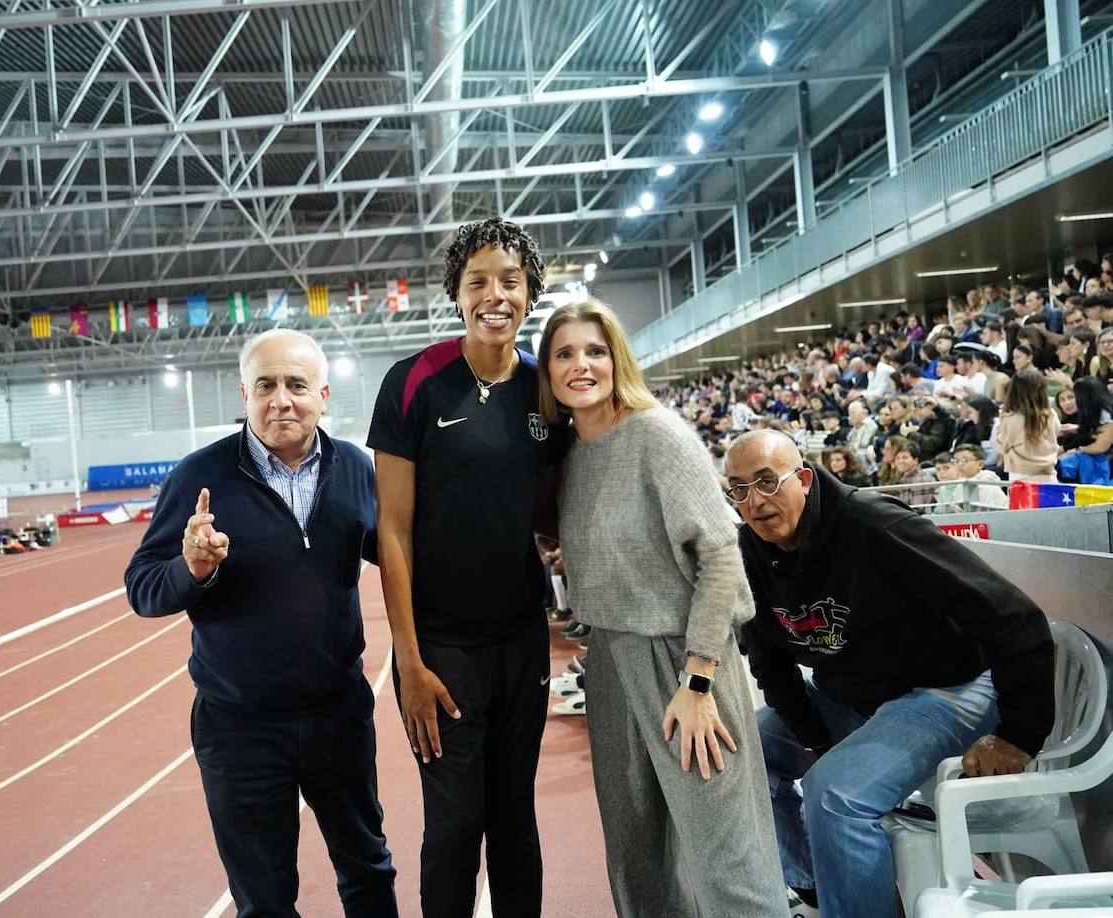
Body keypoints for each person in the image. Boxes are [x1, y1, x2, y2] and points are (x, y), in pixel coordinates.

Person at [724, 429, 1055, 918]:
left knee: (835, 794)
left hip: (949, 686)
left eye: (768, 482)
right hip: (853, 695)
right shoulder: (748, 554)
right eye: (739, 488)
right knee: (742, 751)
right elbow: (770, 662)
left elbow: (1012, 614)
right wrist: (815, 739)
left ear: (806, 480)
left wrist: (1021, 734)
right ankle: (818, 887)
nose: (755, 501)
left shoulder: (874, 526)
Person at [125, 329, 396, 918]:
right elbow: (142, 587)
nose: (282, 400)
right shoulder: (201, 477)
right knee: (264, 901)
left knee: (369, 871)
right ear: (243, 395)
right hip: (238, 727)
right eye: (266, 386)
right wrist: (190, 568)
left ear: (322, 395)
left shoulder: (354, 468)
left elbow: (403, 555)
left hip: (338, 715)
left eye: (297, 385)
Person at [539, 301, 788, 918]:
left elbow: (723, 559)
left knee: (728, 860)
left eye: (594, 350)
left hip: (684, 660)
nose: (580, 365)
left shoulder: (659, 435)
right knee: (636, 859)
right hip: (610, 665)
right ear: (546, 371)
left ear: (616, 357)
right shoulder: (568, 455)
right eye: (564, 353)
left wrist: (698, 679)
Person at [368, 217, 564, 918]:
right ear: (456, 293)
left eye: (510, 281)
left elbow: (545, 513)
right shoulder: (414, 383)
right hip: (441, 651)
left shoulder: (545, 391)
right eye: (477, 280)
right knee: (454, 826)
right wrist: (409, 662)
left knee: (515, 816)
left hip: (520, 641)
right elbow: (390, 529)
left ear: (530, 293)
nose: (494, 294)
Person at [994, 368, 1060, 482]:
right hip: (1049, 476)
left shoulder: (1011, 418)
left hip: (1021, 478)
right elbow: (1057, 432)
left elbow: (1001, 446)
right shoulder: (1051, 415)